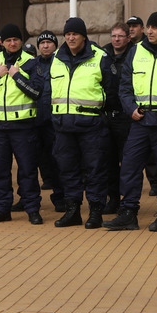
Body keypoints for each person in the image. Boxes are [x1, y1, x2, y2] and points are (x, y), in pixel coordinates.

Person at [104, 11, 157, 232]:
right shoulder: (136, 51)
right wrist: (130, 108)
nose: (150, 31)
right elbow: (125, 86)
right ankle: (128, 213)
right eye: (149, 27)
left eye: (155, 27)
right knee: (130, 167)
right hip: (140, 121)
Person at [49, 17, 120, 228]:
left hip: (91, 125)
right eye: (68, 34)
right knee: (67, 169)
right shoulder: (56, 57)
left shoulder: (100, 57)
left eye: (75, 34)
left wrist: (104, 118)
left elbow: (112, 91)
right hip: (63, 125)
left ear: (84, 36)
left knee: (95, 170)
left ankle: (95, 211)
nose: (71, 38)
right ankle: (73, 211)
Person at [0, 23, 44, 224]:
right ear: (2, 42)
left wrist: (17, 75)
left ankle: (32, 209)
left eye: (15, 39)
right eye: (8, 40)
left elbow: (36, 92)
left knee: (28, 170)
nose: (12, 43)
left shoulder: (32, 62)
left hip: (24, 126)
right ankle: (3, 208)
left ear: (21, 41)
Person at [102, 22, 134, 214]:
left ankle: (127, 201)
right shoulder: (104, 55)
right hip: (107, 116)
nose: (116, 39)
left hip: (127, 117)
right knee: (108, 162)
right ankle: (112, 199)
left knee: (128, 163)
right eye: (113, 36)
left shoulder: (135, 55)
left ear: (128, 38)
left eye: (120, 36)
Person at [33, 30, 65, 212]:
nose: (45, 46)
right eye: (42, 43)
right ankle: (30, 199)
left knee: (57, 162)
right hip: (35, 122)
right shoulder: (32, 64)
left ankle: (60, 197)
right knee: (35, 163)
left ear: (55, 45)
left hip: (54, 122)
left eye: (49, 42)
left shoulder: (61, 63)